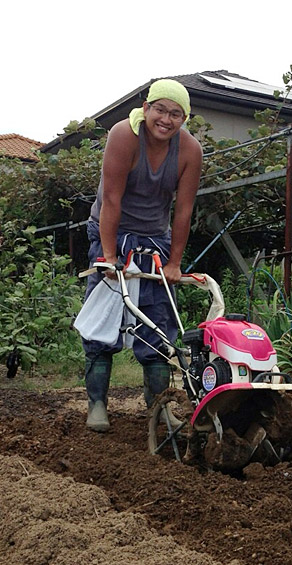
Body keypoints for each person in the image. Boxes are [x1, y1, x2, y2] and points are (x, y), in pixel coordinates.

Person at [82, 78, 203, 432]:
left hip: (156, 239)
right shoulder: (123, 135)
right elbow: (112, 200)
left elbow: (183, 211)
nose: (166, 119)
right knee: (103, 319)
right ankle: (97, 404)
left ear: (184, 118)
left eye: (176, 114)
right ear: (146, 108)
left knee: (159, 326)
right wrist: (107, 256)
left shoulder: (189, 151)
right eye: (160, 109)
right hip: (111, 231)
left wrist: (175, 262)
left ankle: (159, 407)